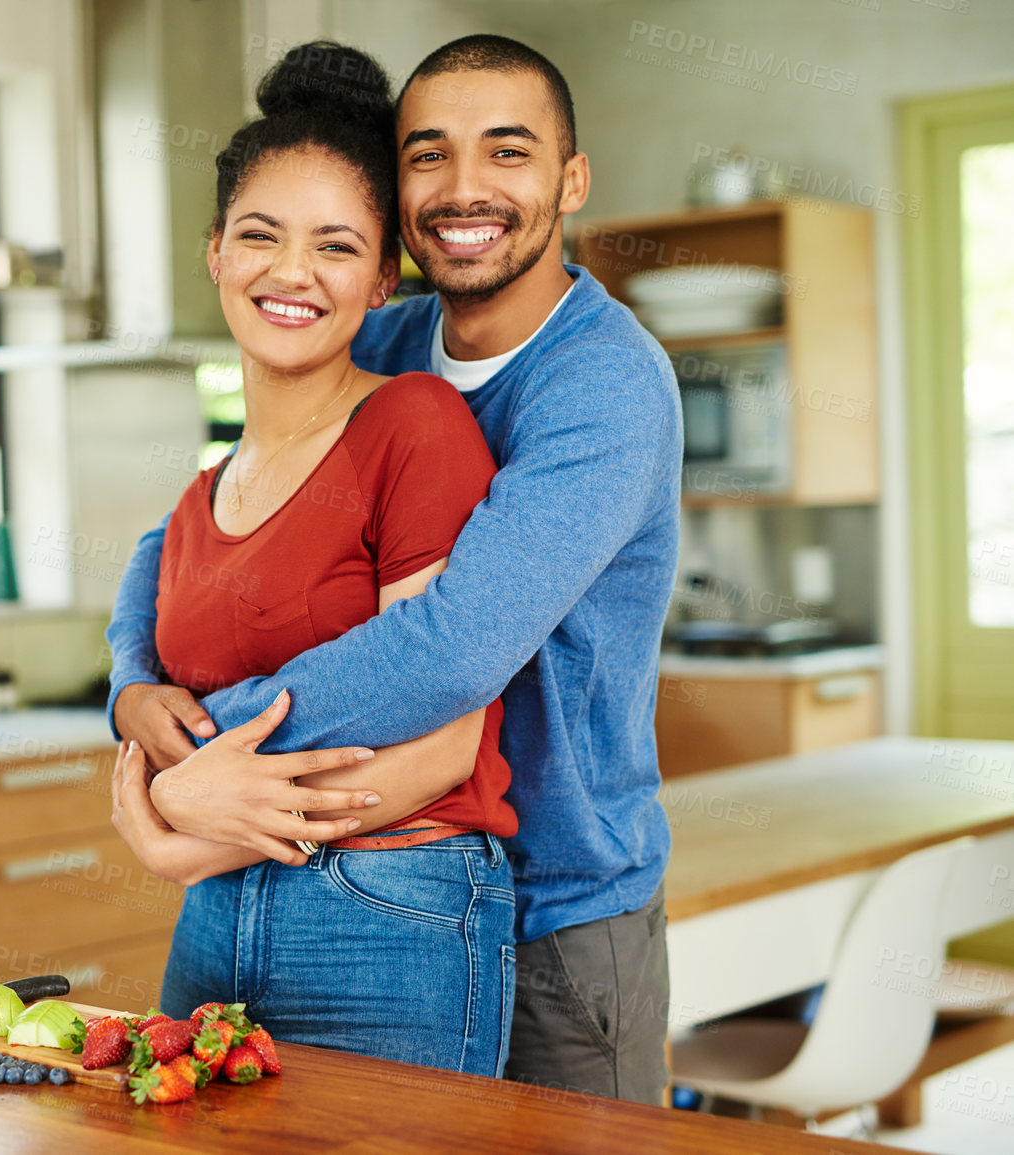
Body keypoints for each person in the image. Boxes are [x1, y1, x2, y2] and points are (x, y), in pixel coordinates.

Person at [108, 34, 682, 1105]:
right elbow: (187, 531)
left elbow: (448, 648)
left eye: (507, 153)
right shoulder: (395, 333)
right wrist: (134, 690)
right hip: (357, 859)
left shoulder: (605, 385)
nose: (466, 188)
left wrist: (202, 755)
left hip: (561, 898)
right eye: (429, 155)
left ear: (571, 179)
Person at [108, 41, 518, 1075]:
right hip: (213, 926)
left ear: (383, 279)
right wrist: (146, 740)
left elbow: (444, 746)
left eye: (335, 247)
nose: (291, 272)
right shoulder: (203, 497)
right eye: (259, 235)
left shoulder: (414, 426)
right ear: (215, 252)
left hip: (390, 912)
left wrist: (183, 834)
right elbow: (169, 720)